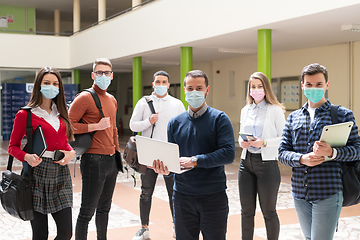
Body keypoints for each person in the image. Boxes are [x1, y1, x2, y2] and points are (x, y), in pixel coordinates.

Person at [278, 63, 360, 240]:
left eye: (318, 84)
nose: (313, 88)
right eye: (309, 84)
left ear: (327, 85)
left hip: (328, 191)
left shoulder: (342, 115)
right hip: (300, 191)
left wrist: (332, 152)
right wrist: (301, 158)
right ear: (302, 85)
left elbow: (357, 150)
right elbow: (282, 152)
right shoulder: (293, 117)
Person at [153, 70, 235, 240]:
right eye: (190, 88)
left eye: (199, 88)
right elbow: (173, 159)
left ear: (207, 90)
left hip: (213, 196)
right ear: (184, 90)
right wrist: (164, 168)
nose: (194, 92)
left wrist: (195, 161)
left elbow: (228, 154)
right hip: (182, 197)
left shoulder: (220, 119)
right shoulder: (174, 123)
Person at [8, 67, 76, 240]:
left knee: (66, 233)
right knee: (40, 235)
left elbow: (64, 142)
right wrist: (27, 157)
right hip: (36, 175)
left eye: (55, 84)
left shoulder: (62, 112)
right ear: (38, 85)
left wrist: (70, 152)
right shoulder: (25, 114)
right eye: (46, 83)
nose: (51, 87)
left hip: (61, 174)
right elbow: (13, 147)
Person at [129, 70, 185, 240]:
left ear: (169, 85)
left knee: (174, 193)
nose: (161, 85)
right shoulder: (144, 102)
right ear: (153, 84)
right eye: (158, 82)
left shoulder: (176, 104)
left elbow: (184, 127)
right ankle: (144, 228)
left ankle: (177, 226)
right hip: (148, 154)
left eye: (164, 82)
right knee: (146, 192)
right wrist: (148, 122)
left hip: (169, 154)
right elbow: (133, 125)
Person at [69, 58, 120, 240]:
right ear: (93, 75)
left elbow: (113, 128)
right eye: (99, 72)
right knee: (87, 211)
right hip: (93, 160)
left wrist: (116, 154)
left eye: (107, 73)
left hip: (110, 160)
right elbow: (69, 126)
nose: (103, 76)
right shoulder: (85, 98)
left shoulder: (112, 99)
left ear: (112, 76)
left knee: (105, 209)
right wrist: (94, 126)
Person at [238, 72, 285, 240]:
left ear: (266, 89)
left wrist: (264, 143)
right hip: (246, 163)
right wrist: (242, 141)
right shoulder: (245, 110)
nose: (256, 90)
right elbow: (241, 133)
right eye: (253, 87)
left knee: (269, 211)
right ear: (249, 89)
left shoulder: (275, 110)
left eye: (259, 86)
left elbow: (284, 138)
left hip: (267, 165)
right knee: (246, 212)